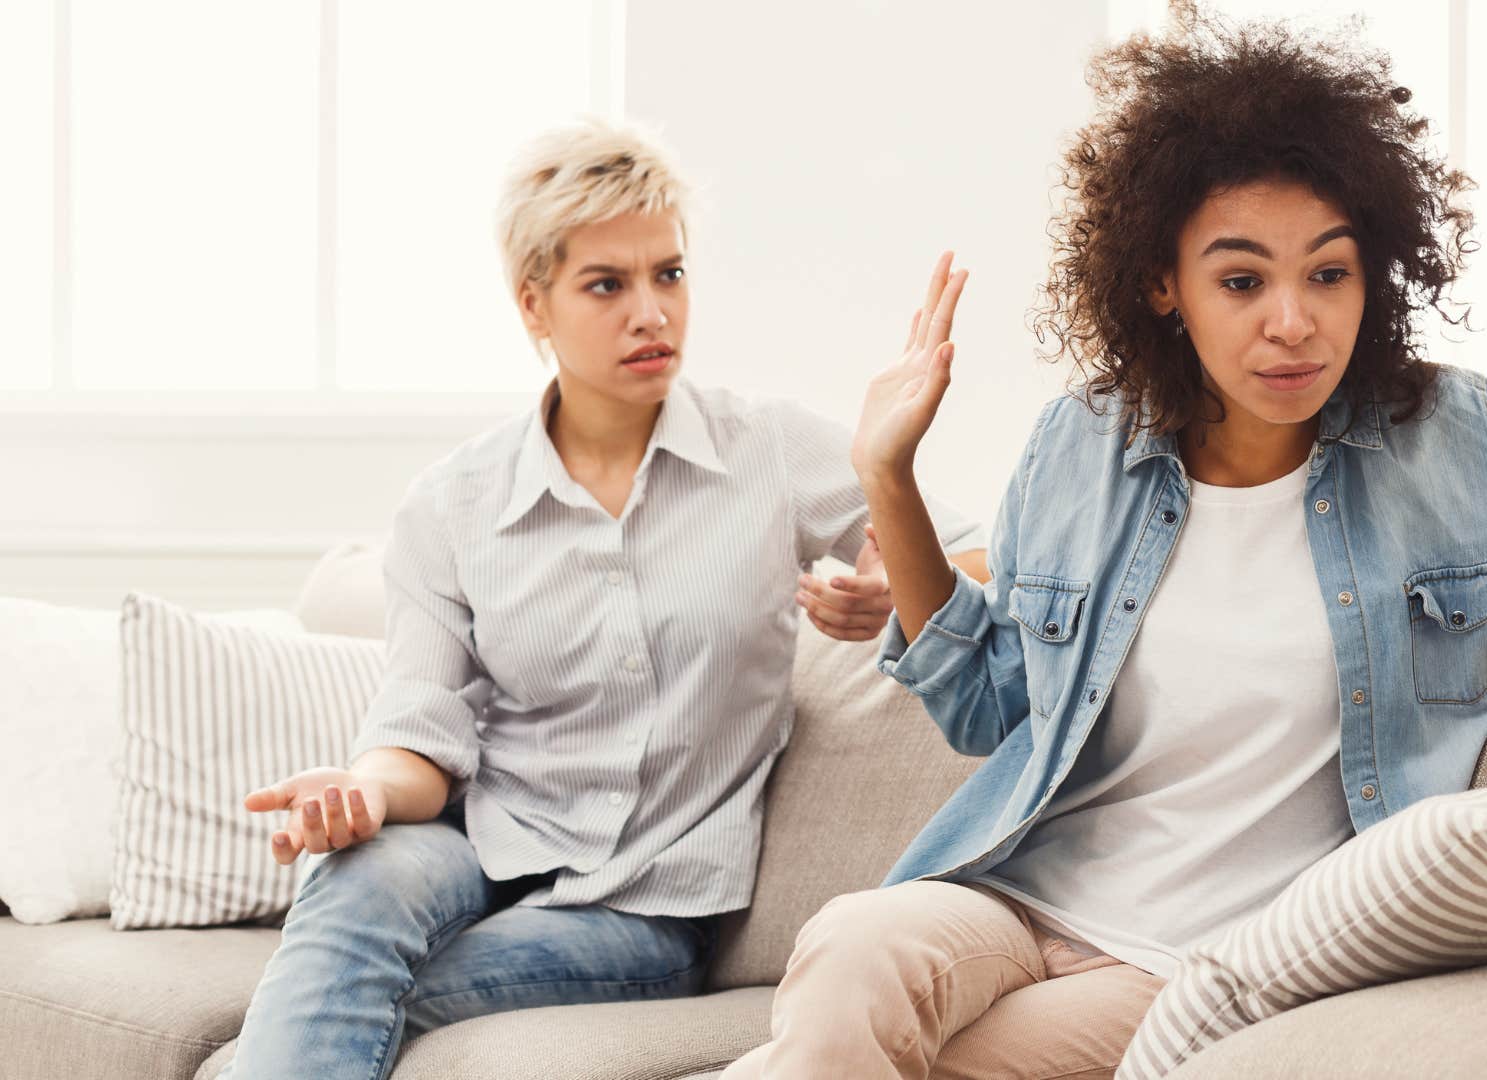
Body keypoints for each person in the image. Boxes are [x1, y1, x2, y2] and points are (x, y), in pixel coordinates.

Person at [725, 12, 1487, 1078]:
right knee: (849, 950)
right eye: (1242, 281)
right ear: (1164, 286)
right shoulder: (1082, 444)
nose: (1294, 321)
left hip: (1196, 962)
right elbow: (988, 710)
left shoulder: (1453, 439)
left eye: (1328, 274)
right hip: (1015, 889)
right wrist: (888, 479)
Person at [218, 119, 988, 1079]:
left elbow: (981, 552)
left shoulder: (770, 454)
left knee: (331, 990)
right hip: (480, 849)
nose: (652, 313)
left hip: (648, 908)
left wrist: (893, 579)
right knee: (355, 886)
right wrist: (362, 792)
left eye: (669, 274)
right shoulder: (452, 506)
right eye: (606, 284)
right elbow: (420, 734)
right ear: (532, 303)